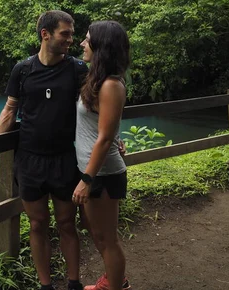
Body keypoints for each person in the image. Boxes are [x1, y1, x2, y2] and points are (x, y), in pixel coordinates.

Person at [0, 10, 87, 290]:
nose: (71, 40)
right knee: (37, 224)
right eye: (65, 34)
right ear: (45, 34)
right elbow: (11, 108)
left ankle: (73, 283)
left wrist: (113, 137)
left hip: (64, 158)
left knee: (67, 223)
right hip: (30, 160)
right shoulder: (23, 70)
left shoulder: (77, 70)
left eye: (72, 34)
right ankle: (45, 285)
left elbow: (93, 109)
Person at [72, 21, 132, 290]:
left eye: (87, 40)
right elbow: (107, 128)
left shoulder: (110, 85)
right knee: (99, 235)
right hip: (97, 171)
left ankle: (116, 286)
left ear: (102, 46)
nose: (82, 44)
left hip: (102, 174)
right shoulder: (99, 81)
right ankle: (113, 281)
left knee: (107, 239)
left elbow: (105, 137)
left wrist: (87, 179)